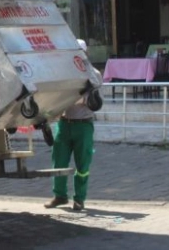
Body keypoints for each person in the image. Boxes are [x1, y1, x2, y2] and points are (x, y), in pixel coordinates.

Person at [45, 39, 101, 212]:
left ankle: (79, 199)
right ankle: (60, 195)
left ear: (85, 54)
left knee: (82, 165)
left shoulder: (94, 75)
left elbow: (92, 101)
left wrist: (68, 98)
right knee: (59, 161)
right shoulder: (62, 74)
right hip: (64, 123)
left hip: (83, 126)